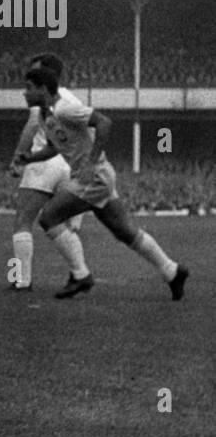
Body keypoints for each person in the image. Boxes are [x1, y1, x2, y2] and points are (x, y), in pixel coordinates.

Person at [17, 66, 188, 300]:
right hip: (93, 177)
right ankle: (172, 271)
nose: (24, 94)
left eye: (28, 88)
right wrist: (30, 158)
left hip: (94, 177)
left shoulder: (65, 109)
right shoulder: (48, 117)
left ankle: (81, 275)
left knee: (49, 217)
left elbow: (104, 122)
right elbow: (54, 148)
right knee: (124, 231)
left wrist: (91, 160)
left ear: (43, 89)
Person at [8, 53, 87, 291]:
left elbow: (32, 126)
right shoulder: (73, 99)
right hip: (69, 164)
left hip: (45, 161)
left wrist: (18, 158)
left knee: (23, 221)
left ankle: (22, 280)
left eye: (36, 72)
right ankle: (79, 273)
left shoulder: (42, 100)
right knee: (60, 225)